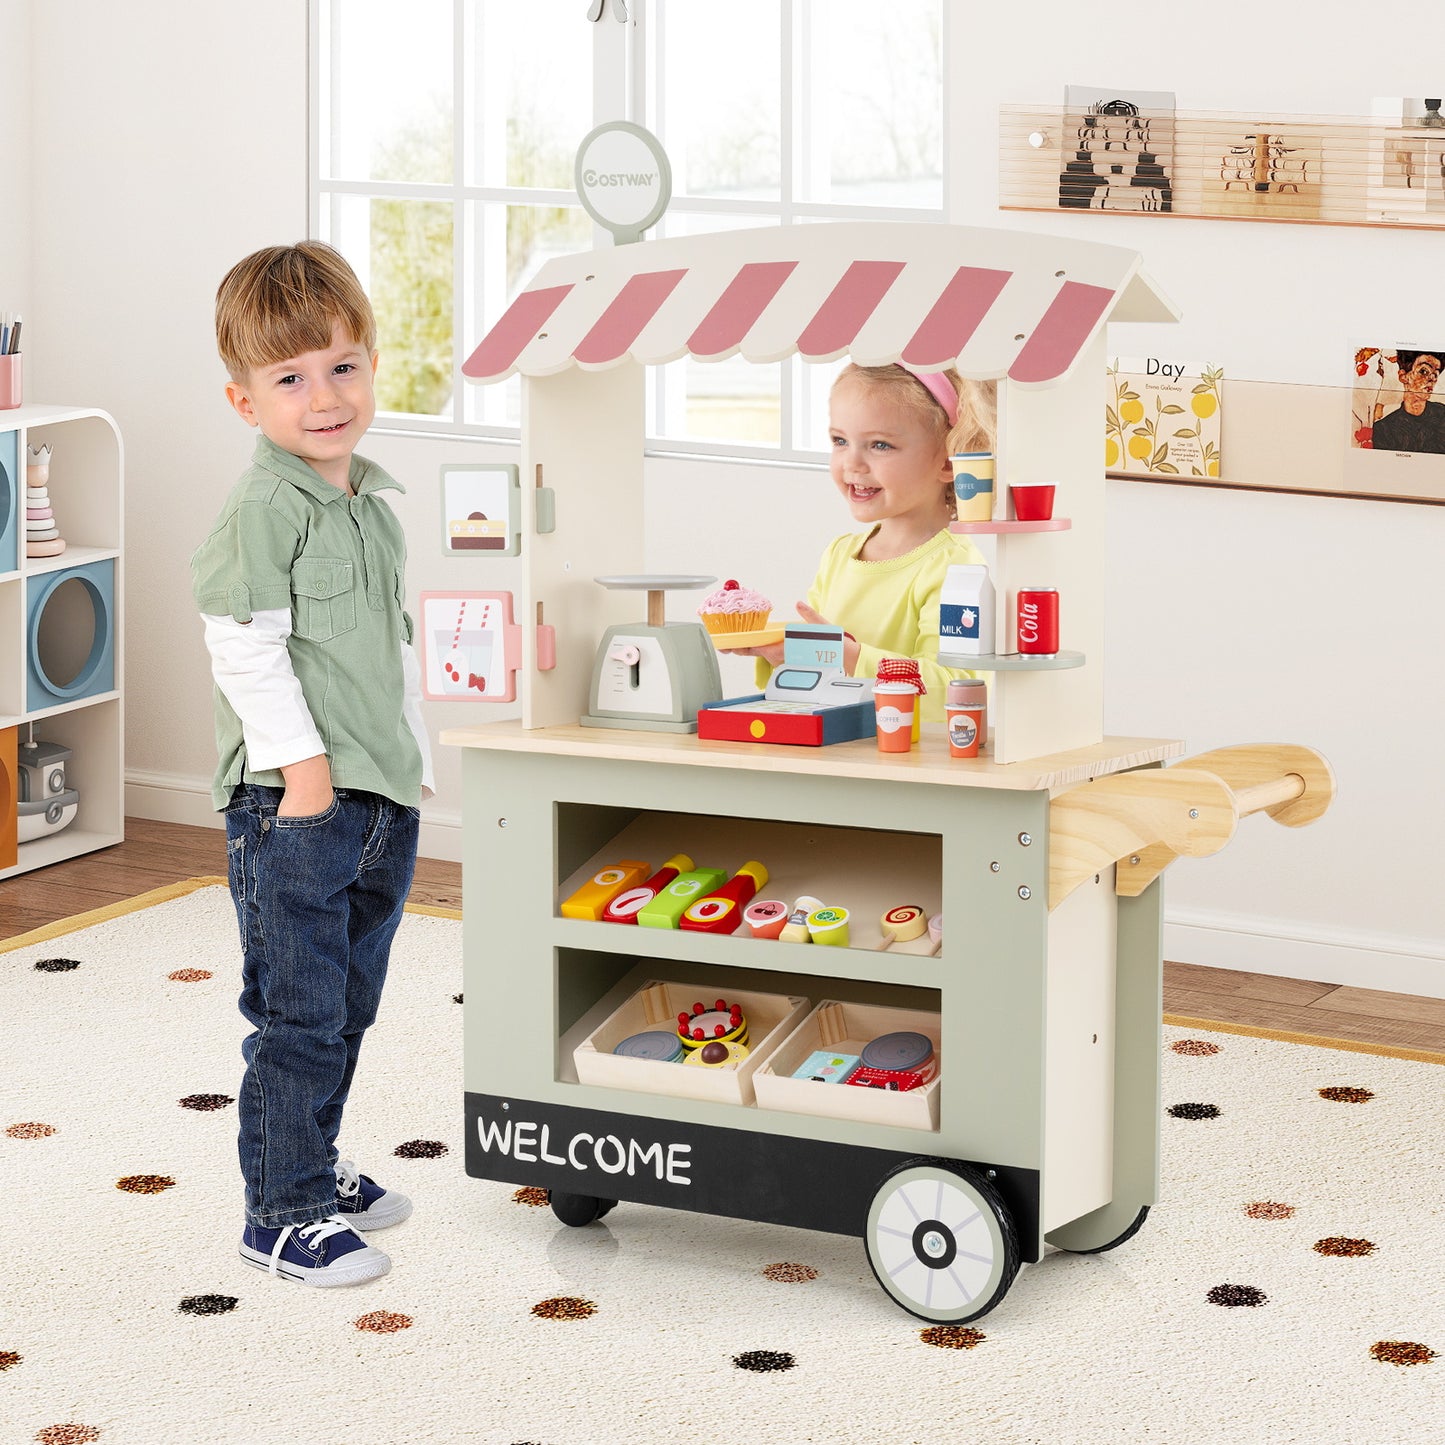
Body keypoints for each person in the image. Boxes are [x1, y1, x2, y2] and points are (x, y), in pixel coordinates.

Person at [190, 241, 434, 1287]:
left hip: (374, 797)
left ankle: (313, 1160)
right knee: (296, 1014)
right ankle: (277, 1210)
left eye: (342, 365)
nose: (323, 395)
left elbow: (378, 652)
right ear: (246, 401)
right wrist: (304, 774)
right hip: (295, 805)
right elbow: (241, 642)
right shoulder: (263, 510)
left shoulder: (367, 503)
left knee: (345, 1004)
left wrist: (404, 764)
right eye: (290, 378)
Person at [732, 362, 995, 723]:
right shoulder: (839, 555)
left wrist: (851, 657)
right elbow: (810, 683)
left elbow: (958, 689)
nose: (851, 463)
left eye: (880, 445)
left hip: (911, 764)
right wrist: (782, 653)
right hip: (837, 754)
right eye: (840, 441)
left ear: (950, 462)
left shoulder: (956, 568)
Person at [1370, 349, 1445, 455]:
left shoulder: (1442, 415)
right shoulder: (1384, 429)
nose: (1431, 379)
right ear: (1403, 376)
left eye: (1435, 375)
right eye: (1423, 371)